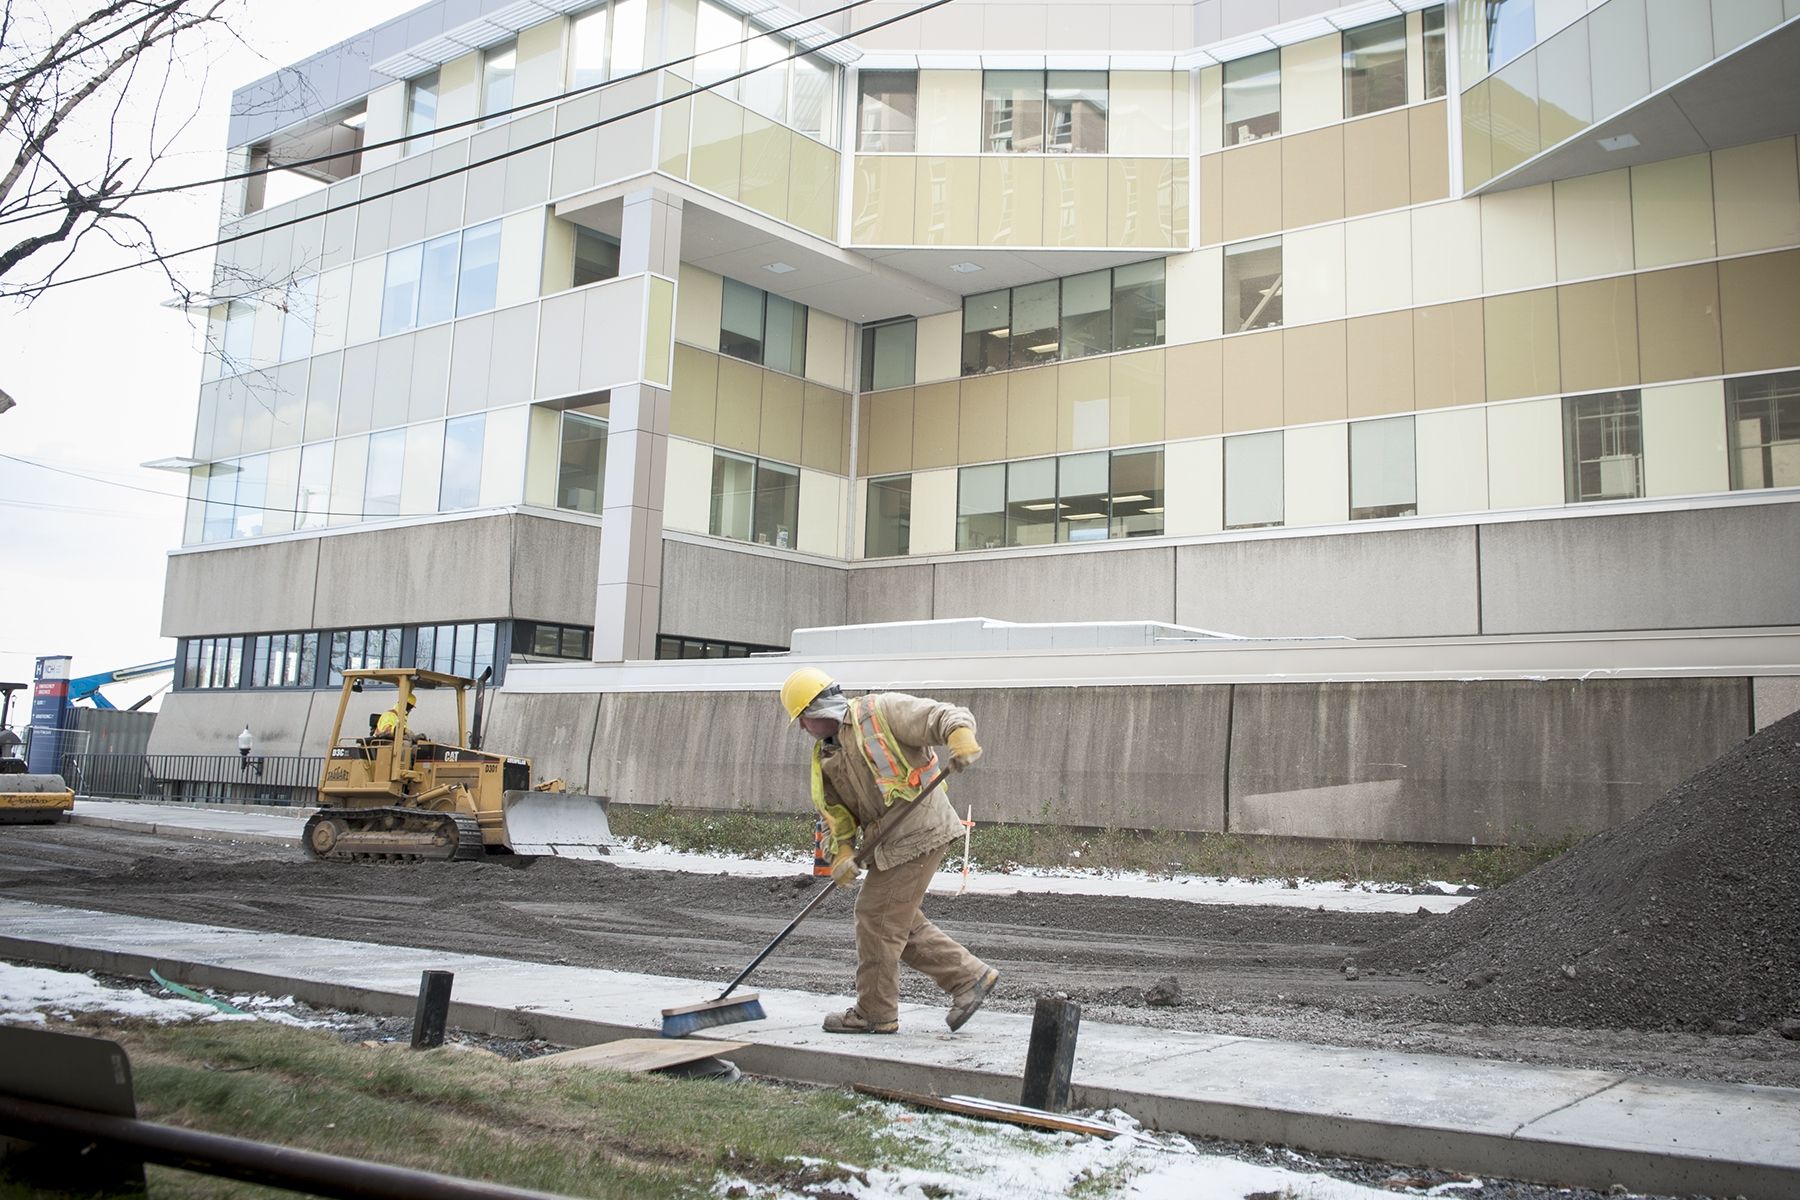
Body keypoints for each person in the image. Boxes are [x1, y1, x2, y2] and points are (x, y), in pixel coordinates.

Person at [782, 667, 999, 1035]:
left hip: (920, 829)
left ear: (820, 709)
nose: (803, 728)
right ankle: (969, 978)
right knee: (894, 920)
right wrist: (842, 853)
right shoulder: (826, 756)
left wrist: (960, 737)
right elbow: (837, 815)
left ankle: (876, 1013)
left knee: (876, 917)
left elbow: (940, 716)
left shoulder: (878, 712)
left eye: (803, 719)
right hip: (890, 841)